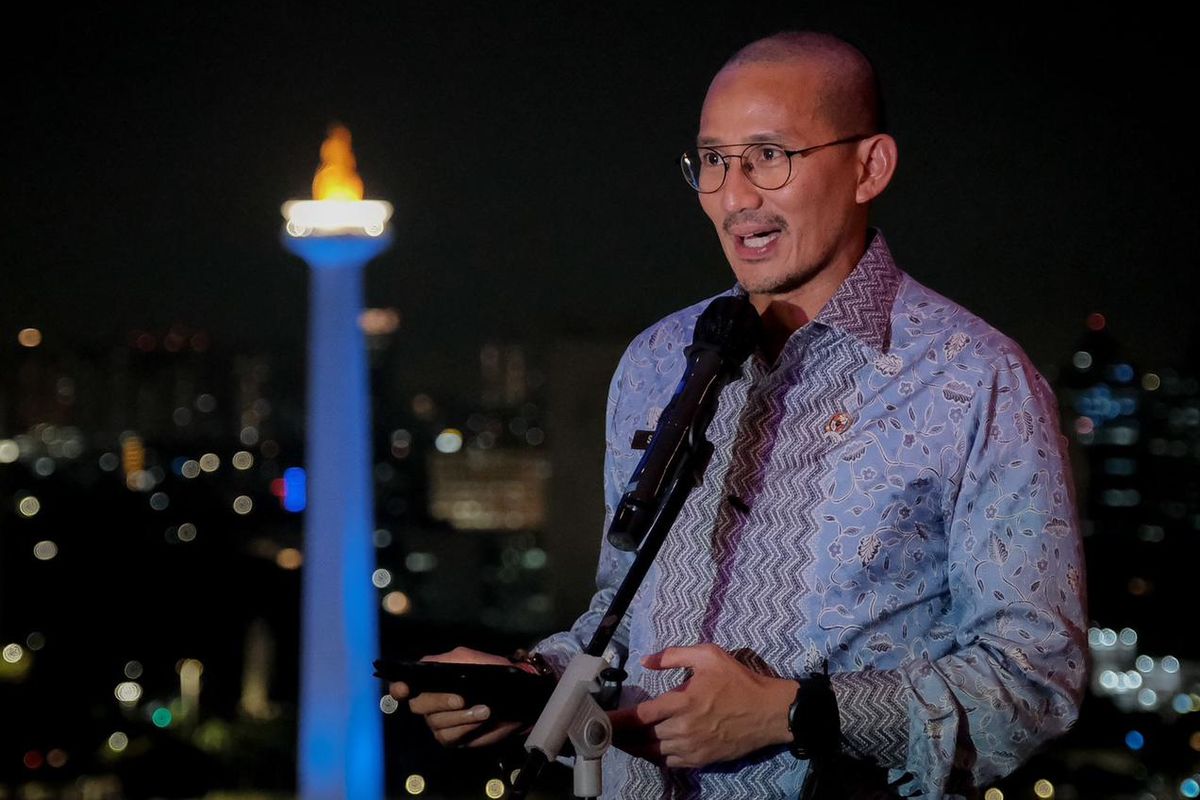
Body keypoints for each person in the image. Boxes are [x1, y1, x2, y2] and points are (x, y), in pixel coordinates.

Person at [392, 30, 1087, 799]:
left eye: (769, 156)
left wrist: (793, 716)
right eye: (714, 160)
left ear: (869, 166)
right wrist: (532, 686)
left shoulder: (976, 379)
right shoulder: (659, 360)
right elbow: (624, 622)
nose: (733, 196)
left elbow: (1034, 679)